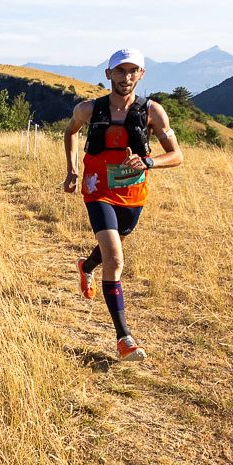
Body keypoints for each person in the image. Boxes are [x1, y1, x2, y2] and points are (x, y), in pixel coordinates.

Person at [62, 48, 183, 362]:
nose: (126, 78)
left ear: (141, 74)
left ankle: (85, 267)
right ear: (108, 75)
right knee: (115, 260)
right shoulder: (89, 108)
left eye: (132, 71)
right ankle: (124, 339)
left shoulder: (153, 112)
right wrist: (73, 170)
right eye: (120, 71)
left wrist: (147, 161)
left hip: (133, 194)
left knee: (108, 250)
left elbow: (177, 155)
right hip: (97, 189)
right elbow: (70, 131)